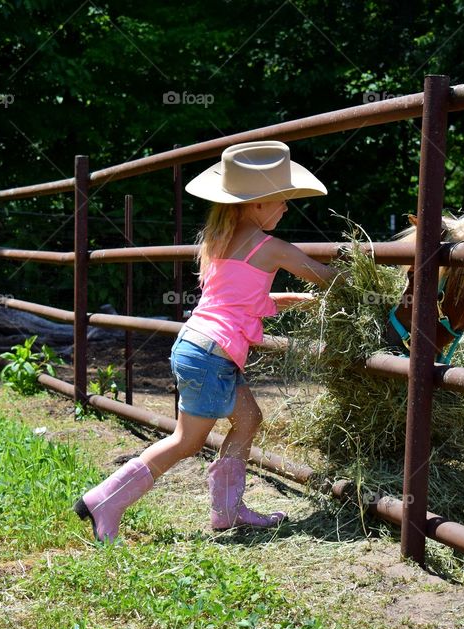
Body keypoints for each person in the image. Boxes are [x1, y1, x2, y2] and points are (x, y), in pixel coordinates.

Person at [74, 140, 341, 542]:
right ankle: (105, 502)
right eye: (282, 199)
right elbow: (328, 277)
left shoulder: (219, 239)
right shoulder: (272, 248)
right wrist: (377, 274)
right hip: (211, 354)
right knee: (186, 440)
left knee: (249, 419)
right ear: (257, 203)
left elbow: (234, 299)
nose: (287, 207)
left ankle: (228, 511)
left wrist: (288, 300)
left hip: (201, 346)